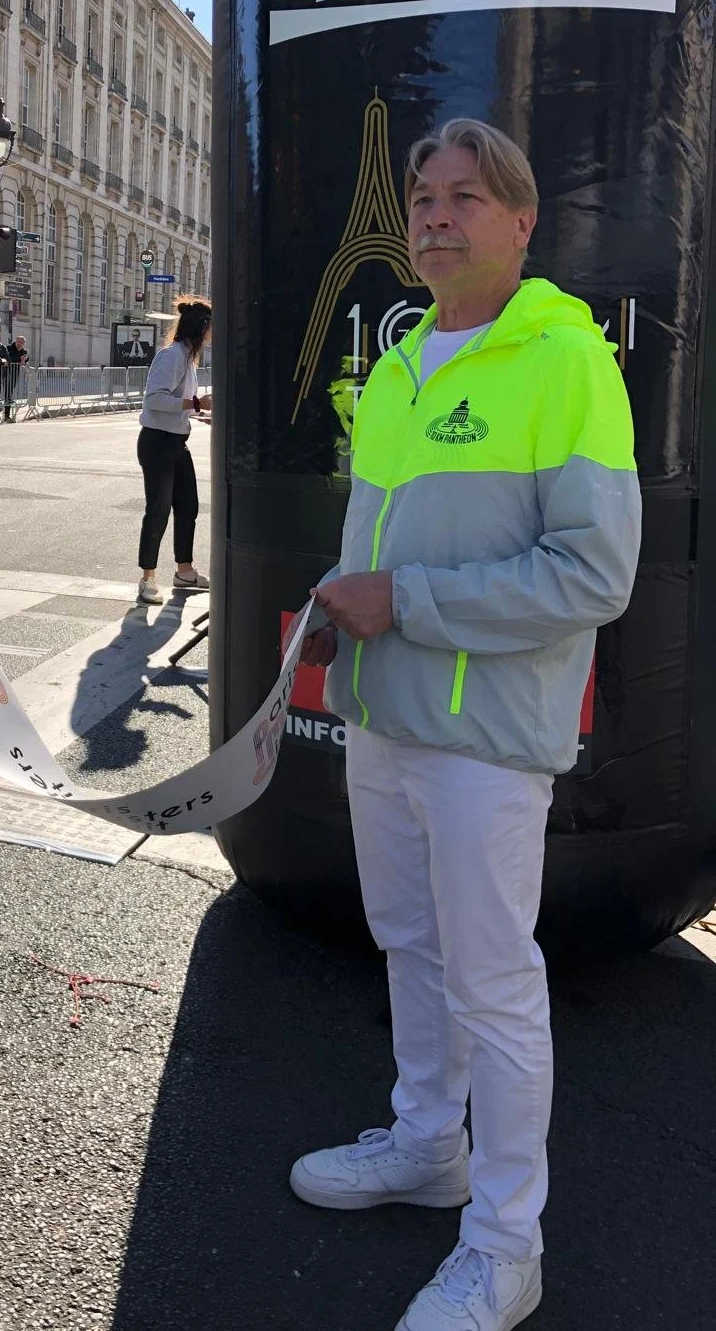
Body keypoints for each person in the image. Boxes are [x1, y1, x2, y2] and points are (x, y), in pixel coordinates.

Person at [290, 121, 640, 1331]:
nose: (436, 216)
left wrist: (410, 605)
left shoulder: (566, 360)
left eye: (465, 199)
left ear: (522, 219)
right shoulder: (399, 365)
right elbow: (384, 545)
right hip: (384, 717)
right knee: (410, 942)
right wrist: (348, 611)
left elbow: (597, 575)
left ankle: (505, 1243)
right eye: (425, 198)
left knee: (495, 984)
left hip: (488, 737)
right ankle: (428, 1145)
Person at [135, 296, 212, 604]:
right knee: (158, 510)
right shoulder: (171, 356)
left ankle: (185, 570)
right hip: (157, 442)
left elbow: (181, 406)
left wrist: (203, 414)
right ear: (202, 327)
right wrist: (195, 404)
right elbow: (153, 399)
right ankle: (147, 578)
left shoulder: (187, 359)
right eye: (212, 327)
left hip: (176, 441)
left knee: (188, 506)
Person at [4, 334, 30, 421]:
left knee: (9, 394)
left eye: (21, 342)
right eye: (18, 341)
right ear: (15, 341)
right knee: (0, 394)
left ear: (24, 343)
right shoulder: (9, 348)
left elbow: (26, 359)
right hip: (4, 373)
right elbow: (10, 358)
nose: (19, 343)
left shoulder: (24, 351)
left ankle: (7, 415)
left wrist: (24, 360)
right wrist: (20, 360)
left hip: (15, 374)